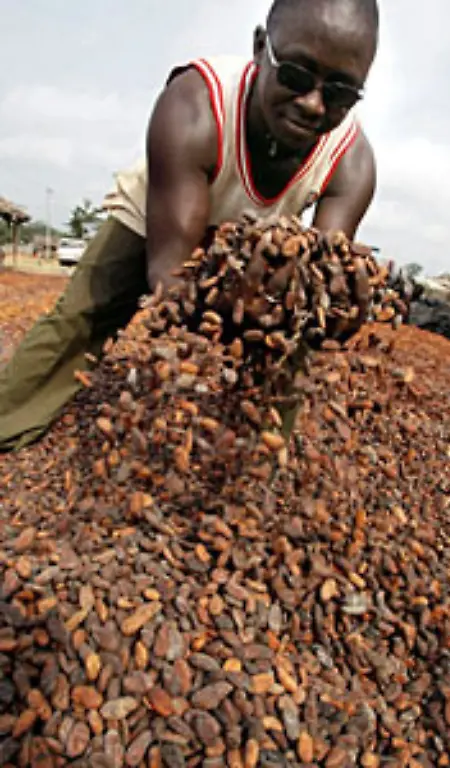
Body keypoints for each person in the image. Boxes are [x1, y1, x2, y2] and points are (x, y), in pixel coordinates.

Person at [0, 0, 379, 451]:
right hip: (163, 215)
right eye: (295, 75)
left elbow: (321, 284)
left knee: (290, 337)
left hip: (256, 245)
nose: (314, 104)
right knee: (83, 316)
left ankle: (251, 473)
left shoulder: (352, 164)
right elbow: (168, 278)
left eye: (340, 92)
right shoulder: (194, 105)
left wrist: (330, 313)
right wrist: (235, 316)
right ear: (261, 48)